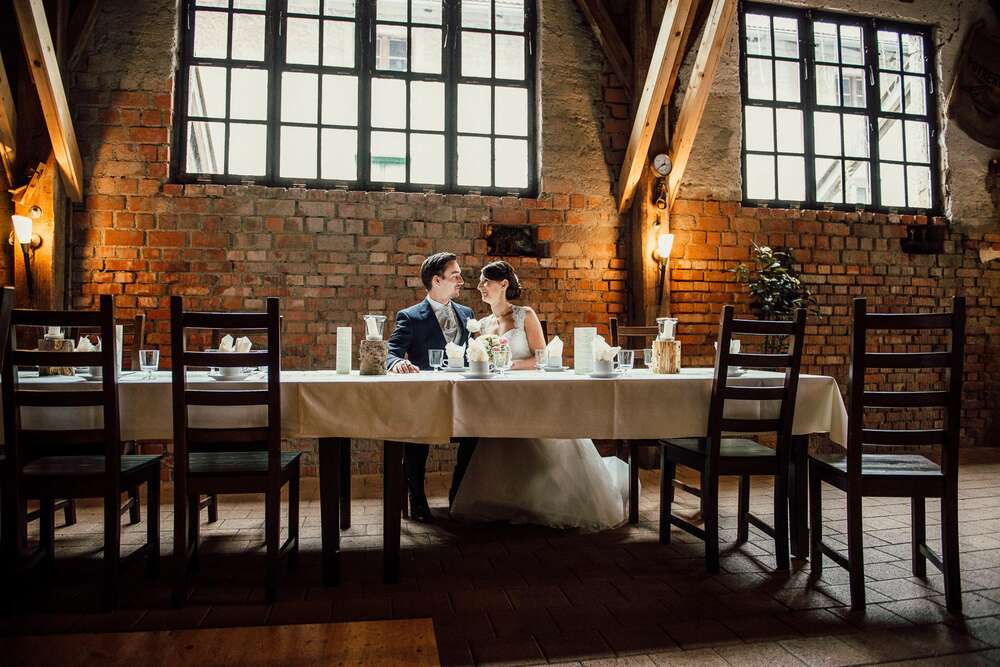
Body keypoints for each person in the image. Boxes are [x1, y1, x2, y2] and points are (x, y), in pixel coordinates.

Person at [450, 261, 631, 530]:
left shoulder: (525, 315)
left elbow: (542, 357)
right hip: (498, 399)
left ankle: (544, 500)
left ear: (504, 285)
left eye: (485, 281)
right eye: (479, 282)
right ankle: (505, 500)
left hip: (530, 395)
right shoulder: (483, 324)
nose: (480, 287)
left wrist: (510, 365)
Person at [386, 252, 477, 522]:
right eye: (455, 275)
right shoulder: (411, 317)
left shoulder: (467, 314)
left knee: (479, 434)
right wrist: (396, 364)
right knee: (416, 438)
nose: (461, 280)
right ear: (437, 281)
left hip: (463, 398)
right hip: (425, 401)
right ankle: (417, 498)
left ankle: (458, 494)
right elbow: (391, 352)